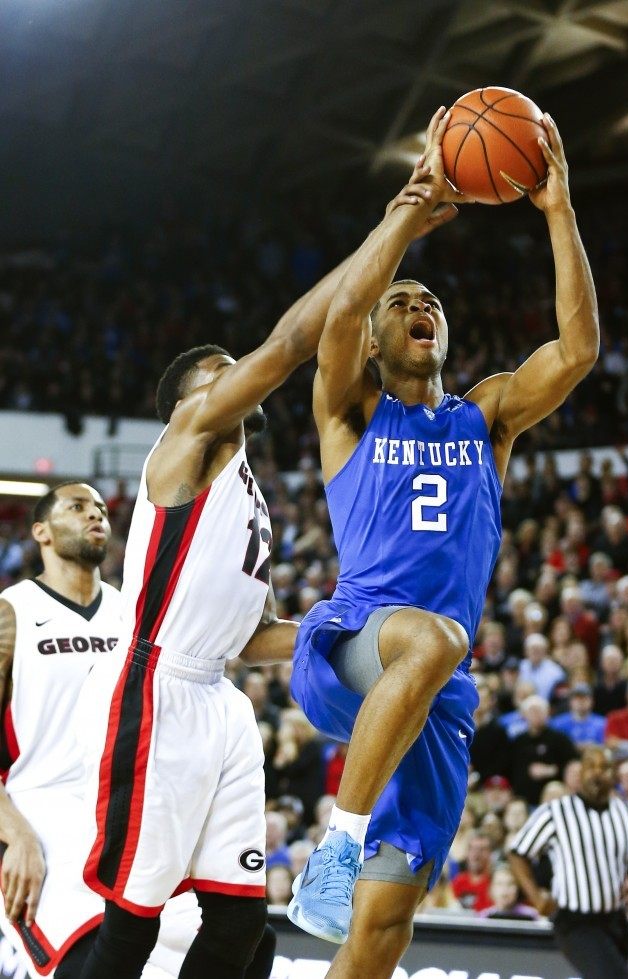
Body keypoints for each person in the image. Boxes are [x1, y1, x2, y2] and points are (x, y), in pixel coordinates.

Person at [288, 104, 599, 977]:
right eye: (403, 302)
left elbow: (577, 350)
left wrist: (558, 208)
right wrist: (403, 218)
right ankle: (335, 844)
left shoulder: (486, 416)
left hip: (438, 694)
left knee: (383, 931)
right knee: (435, 636)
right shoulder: (351, 412)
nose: (419, 302)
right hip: (355, 643)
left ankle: (358, 869)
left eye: (430, 300)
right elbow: (343, 311)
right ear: (381, 343)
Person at [76, 213, 406, 979]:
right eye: (219, 372)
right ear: (191, 401)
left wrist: (337, 623)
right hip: (153, 688)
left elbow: (249, 636)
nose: (234, 378)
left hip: (218, 698)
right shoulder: (184, 446)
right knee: (133, 918)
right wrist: (395, 227)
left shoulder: (247, 489)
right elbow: (291, 343)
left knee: (240, 921)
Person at [0, 483, 275, 979]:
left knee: (250, 939)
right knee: (88, 953)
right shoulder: (11, 611)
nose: (95, 517)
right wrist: (15, 836)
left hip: (133, 801)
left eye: (102, 509)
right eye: (77, 508)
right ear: (39, 531)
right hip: (42, 816)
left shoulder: (136, 609)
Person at [509, 747, 628, 979]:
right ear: (581, 772)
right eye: (591, 767)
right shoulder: (556, 812)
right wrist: (537, 896)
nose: (597, 774)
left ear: (614, 774)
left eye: (604, 768)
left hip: (615, 920)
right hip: (575, 921)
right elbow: (518, 853)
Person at [509, 695, 578, 805]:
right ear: (524, 715)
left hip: (555, 799)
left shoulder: (560, 739)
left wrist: (551, 770)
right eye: (532, 712)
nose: (536, 715)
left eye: (539, 711)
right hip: (524, 799)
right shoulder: (518, 741)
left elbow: (573, 765)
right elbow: (511, 768)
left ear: (547, 714)